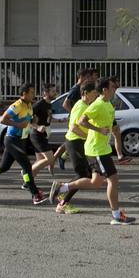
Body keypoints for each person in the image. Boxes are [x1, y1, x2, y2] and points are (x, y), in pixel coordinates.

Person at [67, 77, 134, 224]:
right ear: (105, 90)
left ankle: (63, 187)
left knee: (96, 182)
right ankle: (116, 216)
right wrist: (98, 129)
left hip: (102, 149)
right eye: (112, 88)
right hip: (96, 149)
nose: (114, 90)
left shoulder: (108, 104)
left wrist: (114, 131)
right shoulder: (97, 104)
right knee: (113, 179)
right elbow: (80, 121)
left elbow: (110, 124)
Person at [0, 84, 49, 204]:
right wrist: (18, 125)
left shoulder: (29, 105)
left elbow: (28, 121)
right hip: (12, 139)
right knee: (27, 166)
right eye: (31, 92)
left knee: (3, 166)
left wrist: (36, 125)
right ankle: (35, 194)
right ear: (24, 93)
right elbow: (3, 119)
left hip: (21, 140)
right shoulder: (17, 105)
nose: (33, 94)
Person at [50, 82, 95, 215]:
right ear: (85, 93)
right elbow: (73, 127)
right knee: (84, 174)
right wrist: (88, 137)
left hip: (78, 142)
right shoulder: (81, 106)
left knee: (86, 173)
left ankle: (62, 193)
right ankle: (62, 202)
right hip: (75, 142)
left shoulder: (86, 105)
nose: (95, 96)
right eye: (93, 93)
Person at [27, 84, 60, 187]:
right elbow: (27, 120)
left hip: (43, 135)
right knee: (50, 159)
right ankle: (26, 175)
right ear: (45, 93)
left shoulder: (49, 104)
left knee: (40, 161)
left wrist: (58, 120)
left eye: (55, 91)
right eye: (52, 91)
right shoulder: (38, 105)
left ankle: (28, 182)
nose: (55, 93)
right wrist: (37, 127)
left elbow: (46, 117)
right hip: (36, 135)